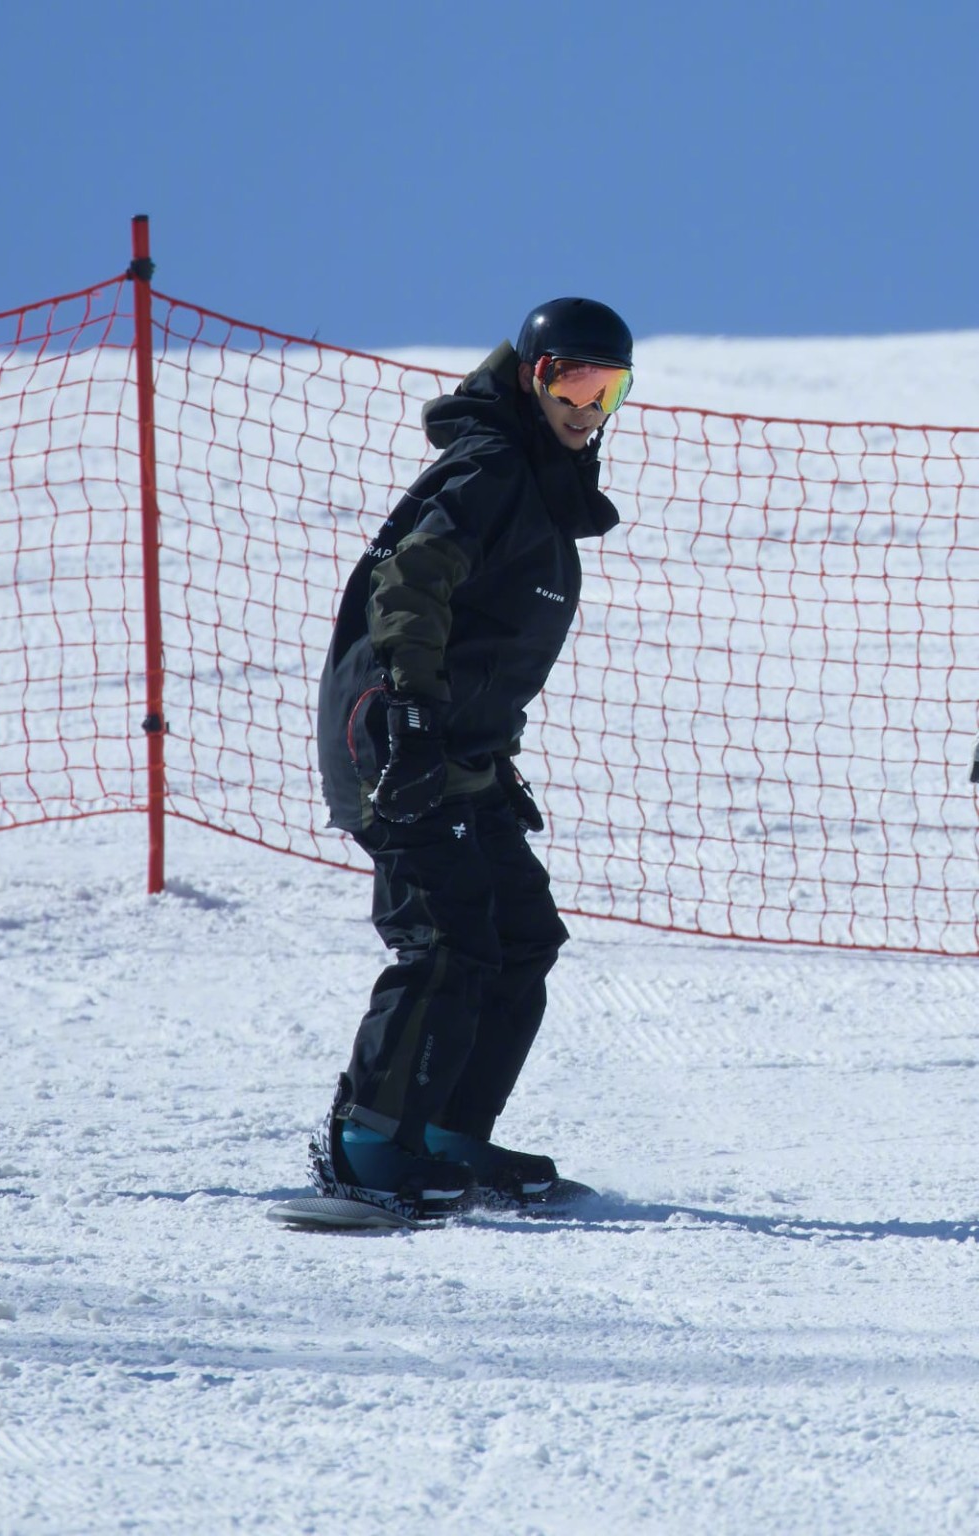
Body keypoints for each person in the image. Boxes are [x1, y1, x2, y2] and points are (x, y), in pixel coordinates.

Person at [312, 296, 634, 1219]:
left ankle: (451, 1135)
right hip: (399, 744)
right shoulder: (492, 466)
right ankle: (369, 1146)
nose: (585, 404)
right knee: (445, 936)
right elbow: (413, 582)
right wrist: (410, 716)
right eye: (568, 379)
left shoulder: (535, 481)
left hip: (462, 754)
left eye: (605, 387)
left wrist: (480, 754)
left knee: (522, 933)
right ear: (531, 377)